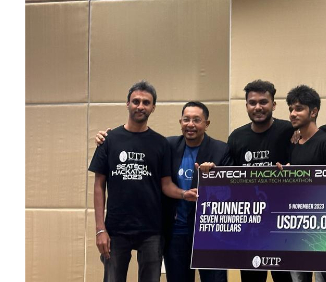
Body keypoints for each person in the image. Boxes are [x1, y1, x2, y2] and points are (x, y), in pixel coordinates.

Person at [95, 101, 231, 282]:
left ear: (206, 124)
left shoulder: (221, 149)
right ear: (180, 122)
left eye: (196, 120)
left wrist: (216, 174)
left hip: (209, 233)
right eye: (186, 119)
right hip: (176, 233)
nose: (190, 124)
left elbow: (231, 192)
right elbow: (139, 146)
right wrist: (107, 138)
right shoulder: (168, 145)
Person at [88, 80, 198, 282]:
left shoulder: (161, 143)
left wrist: (184, 194)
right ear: (127, 104)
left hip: (152, 230)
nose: (140, 106)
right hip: (116, 229)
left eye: (146, 102)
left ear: (153, 107)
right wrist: (100, 229)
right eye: (136, 101)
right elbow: (98, 186)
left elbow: (166, 185)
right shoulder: (109, 140)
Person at [201, 80, 294, 282]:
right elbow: (229, 178)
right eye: (252, 103)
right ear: (246, 106)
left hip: (283, 226)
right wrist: (213, 171)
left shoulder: (289, 131)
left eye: (263, 102)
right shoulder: (237, 137)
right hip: (250, 227)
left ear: (273, 105)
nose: (258, 107)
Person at [278, 85, 326, 282]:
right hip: (296, 226)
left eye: (299, 109)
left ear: (313, 112)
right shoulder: (294, 144)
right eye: (291, 109)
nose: (293, 114)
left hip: (322, 228)